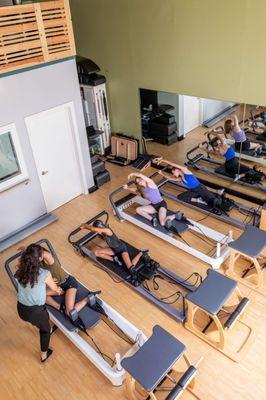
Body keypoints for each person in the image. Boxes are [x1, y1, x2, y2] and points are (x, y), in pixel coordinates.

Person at [15, 244, 63, 362]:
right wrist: (58, 288)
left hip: (21, 309)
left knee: (39, 322)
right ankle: (44, 356)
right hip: (35, 312)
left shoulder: (20, 271)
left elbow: (33, 282)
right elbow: (56, 289)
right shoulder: (44, 274)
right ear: (41, 258)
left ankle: (40, 324)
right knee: (45, 330)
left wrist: (48, 281)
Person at [80, 220, 147, 274]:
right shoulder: (102, 233)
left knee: (131, 269)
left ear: (102, 226)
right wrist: (91, 228)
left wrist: (84, 225)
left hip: (122, 249)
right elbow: (94, 229)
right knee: (96, 253)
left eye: (99, 228)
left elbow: (92, 228)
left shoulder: (108, 230)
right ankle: (114, 260)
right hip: (114, 250)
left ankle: (141, 253)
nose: (98, 231)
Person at [39, 246, 89, 317]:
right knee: (40, 296)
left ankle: (87, 299)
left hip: (69, 283)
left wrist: (31, 251)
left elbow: (44, 254)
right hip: (58, 287)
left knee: (69, 313)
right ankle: (59, 307)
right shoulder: (38, 263)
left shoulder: (49, 259)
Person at [153, 158, 222, 209]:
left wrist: (163, 160)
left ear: (177, 170)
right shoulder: (181, 178)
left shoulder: (186, 171)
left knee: (212, 203)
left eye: (173, 172)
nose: (173, 174)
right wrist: (161, 173)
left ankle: (213, 195)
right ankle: (199, 200)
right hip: (194, 191)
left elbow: (173, 164)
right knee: (180, 197)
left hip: (200, 188)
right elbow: (170, 178)